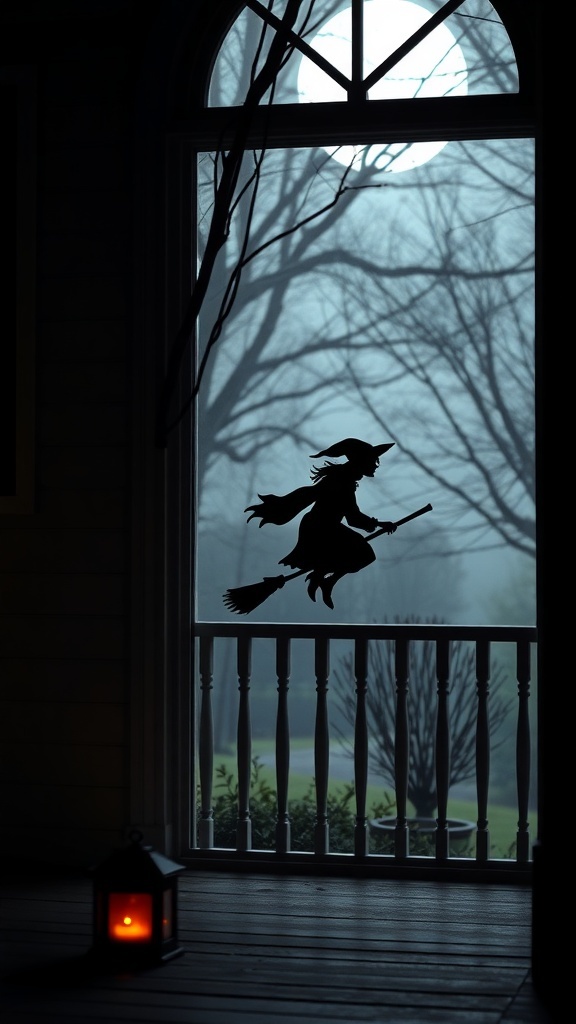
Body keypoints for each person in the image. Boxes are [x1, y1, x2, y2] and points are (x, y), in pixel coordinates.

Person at [244, 438, 397, 609]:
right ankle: (323, 576)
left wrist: (378, 524)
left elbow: (352, 517)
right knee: (365, 555)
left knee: (364, 555)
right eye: (373, 460)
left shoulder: (344, 479)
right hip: (321, 528)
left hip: (326, 527)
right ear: (361, 461)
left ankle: (326, 579)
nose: (376, 465)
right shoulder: (341, 482)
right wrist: (380, 524)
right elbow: (353, 518)